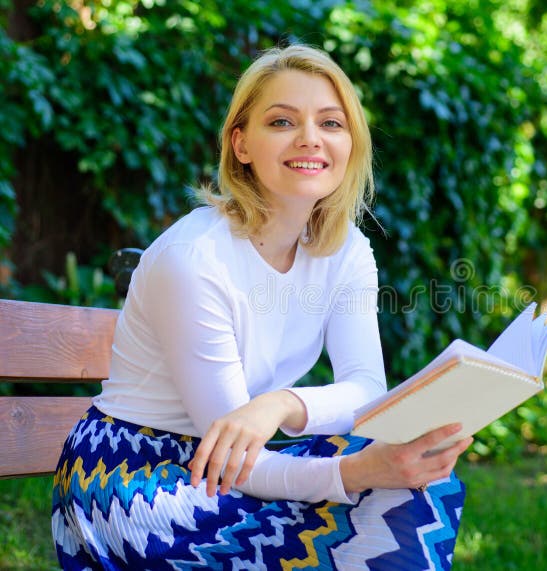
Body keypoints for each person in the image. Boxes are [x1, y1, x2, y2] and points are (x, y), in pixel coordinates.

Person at [51, 44, 472, 570]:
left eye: (331, 123)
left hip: (230, 459)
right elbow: (239, 466)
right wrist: (360, 470)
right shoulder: (195, 258)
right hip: (135, 479)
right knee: (371, 484)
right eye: (282, 121)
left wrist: (280, 406)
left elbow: (368, 390)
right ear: (241, 143)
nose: (310, 139)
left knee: (418, 479)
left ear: (350, 144)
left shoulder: (346, 250)